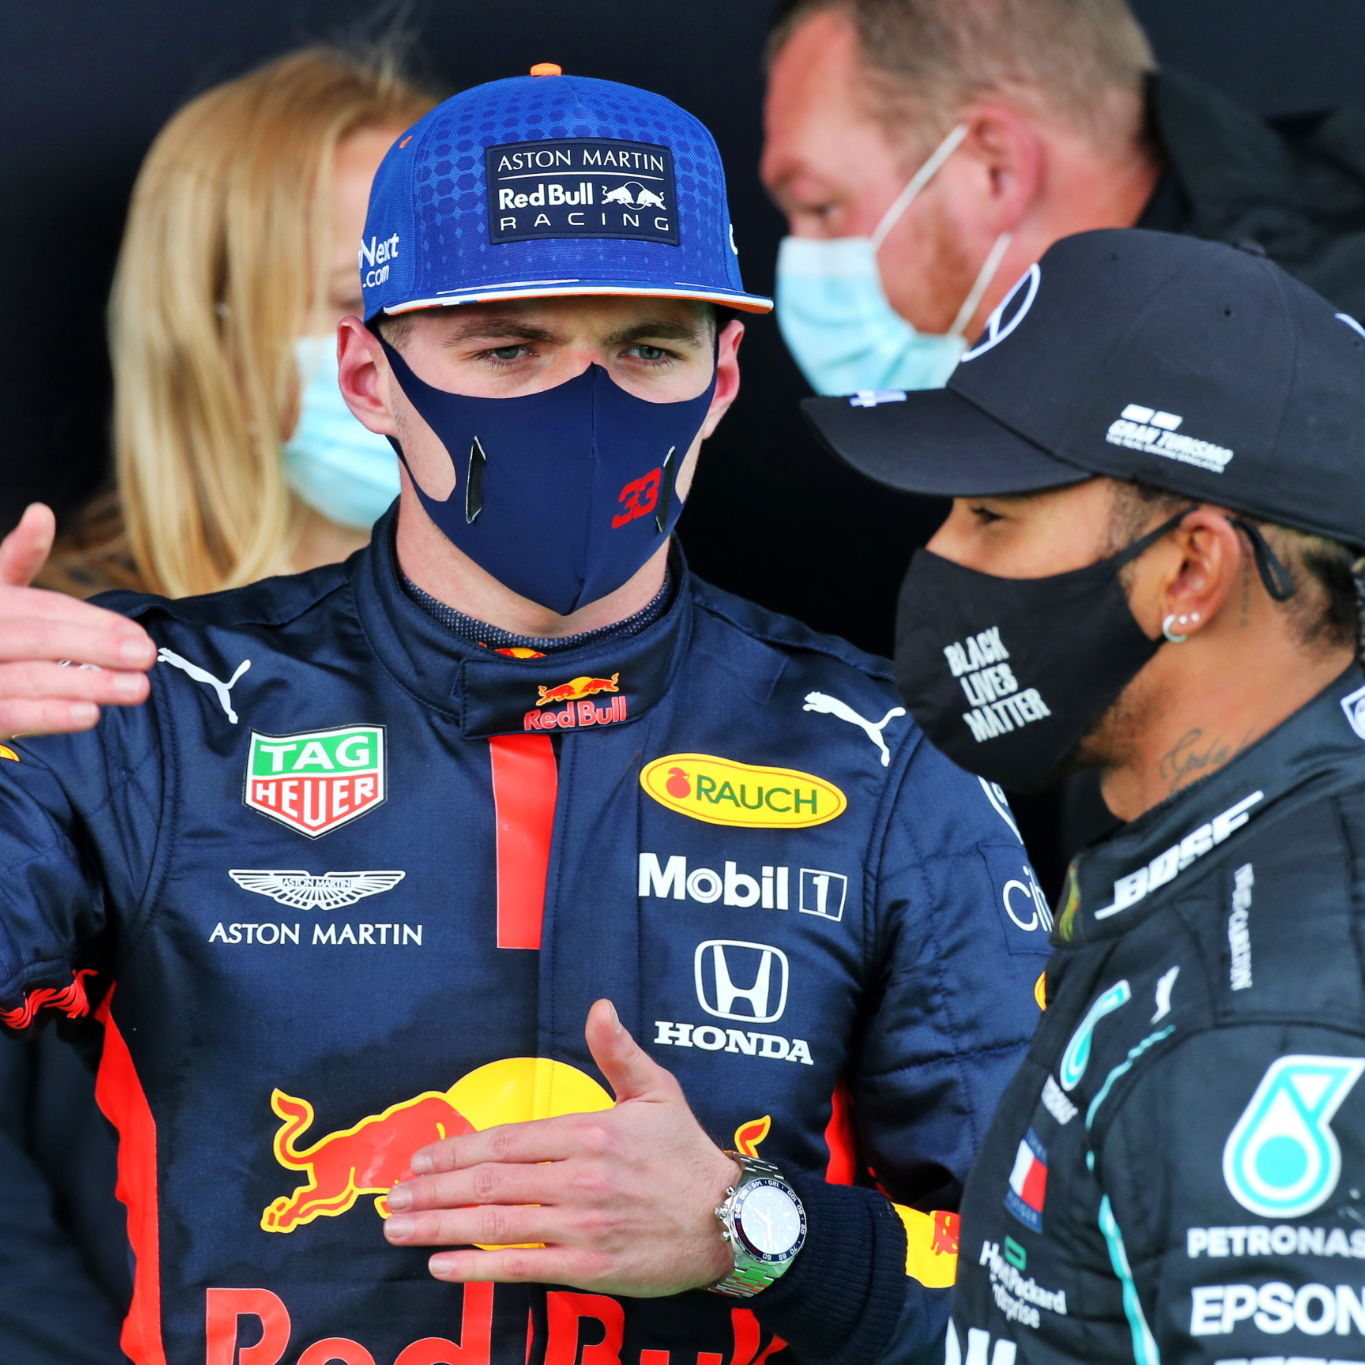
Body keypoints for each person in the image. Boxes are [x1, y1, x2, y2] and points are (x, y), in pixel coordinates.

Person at [0, 67, 1048, 1364]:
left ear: (723, 380)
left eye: (642, 348)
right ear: (368, 376)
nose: (582, 400)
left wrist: (749, 1232)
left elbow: (1060, 1289)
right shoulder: (148, 708)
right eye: (508, 345)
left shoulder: (887, 759)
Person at [803, 226, 1365, 1363]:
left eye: (992, 516)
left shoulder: (1259, 1010)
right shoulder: (1230, 854)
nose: (939, 558)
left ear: (1191, 571)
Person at [0, 46, 434, 1365]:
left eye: (466, 305)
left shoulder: (582, 660)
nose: (421, 359)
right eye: (360, 303)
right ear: (215, 323)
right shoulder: (55, 675)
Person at [762, 0, 1365, 399]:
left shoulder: (1328, 384)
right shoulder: (1051, 384)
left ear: (994, 169)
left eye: (822, 208)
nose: (802, 259)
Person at [44, 46, 435, 598]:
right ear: (215, 343)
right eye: (364, 297)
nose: (435, 338)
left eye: (457, 296)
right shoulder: (86, 648)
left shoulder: (572, 623)